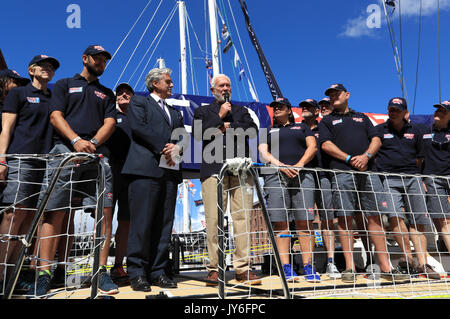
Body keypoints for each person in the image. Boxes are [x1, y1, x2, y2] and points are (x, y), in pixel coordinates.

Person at [30, 45, 118, 297]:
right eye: (97, 58)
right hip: (65, 150)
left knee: (104, 212)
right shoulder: (64, 84)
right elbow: (56, 116)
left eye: (104, 60)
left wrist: (93, 144)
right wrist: (76, 141)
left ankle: (100, 271)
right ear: (85, 58)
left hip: (97, 154)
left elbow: (110, 122)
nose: (101, 62)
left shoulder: (106, 92)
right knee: (54, 211)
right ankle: (44, 273)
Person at [318, 83, 408, 283]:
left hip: (368, 172)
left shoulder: (363, 118)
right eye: (330, 96)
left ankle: (386, 267)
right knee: (344, 219)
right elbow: (326, 145)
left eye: (336, 94)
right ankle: (350, 268)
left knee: (375, 218)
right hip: (341, 173)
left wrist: (366, 156)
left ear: (347, 95)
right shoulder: (326, 120)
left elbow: (376, 139)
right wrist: (350, 158)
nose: (333, 97)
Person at [193, 74, 261, 286]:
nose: (225, 88)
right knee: (214, 221)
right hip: (213, 170)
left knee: (242, 219)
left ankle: (243, 268)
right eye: (221, 85)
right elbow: (198, 134)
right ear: (213, 89)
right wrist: (220, 116)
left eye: (228, 85)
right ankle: (215, 268)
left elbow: (251, 130)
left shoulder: (241, 110)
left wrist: (222, 127)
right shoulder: (202, 111)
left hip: (241, 170)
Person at [122, 68, 186, 292]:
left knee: (164, 224)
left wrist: (176, 147)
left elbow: (183, 137)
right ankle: (137, 272)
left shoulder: (175, 112)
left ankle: (158, 271)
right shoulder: (139, 102)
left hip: (169, 172)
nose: (171, 85)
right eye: (168, 81)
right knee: (142, 223)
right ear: (155, 83)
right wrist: (164, 146)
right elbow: (139, 128)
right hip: (145, 170)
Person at [0, 56, 58, 293]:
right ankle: (0, 273)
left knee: (28, 223)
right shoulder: (19, 94)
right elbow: (6, 128)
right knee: (13, 216)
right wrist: (1, 159)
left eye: (52, 67)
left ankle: (11, 278)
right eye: (43, 66)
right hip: (20, 160)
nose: (48, 69)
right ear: (31, 70)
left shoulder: (54, 99)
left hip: (45, 164)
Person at [376, 97, 440, 280]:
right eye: (390, 109)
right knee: (395, 217)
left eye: (397, 109)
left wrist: (418, 178)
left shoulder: (417, 131)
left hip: (413, 178)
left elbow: (421, 157)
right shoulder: (380, 130)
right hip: (388, 179)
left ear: (405, 112)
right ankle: (408, 260)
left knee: (419, 221)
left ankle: (423, 263)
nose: (393, 112)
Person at [259, 97, 320, 282]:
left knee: (305, 222)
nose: (276, 109)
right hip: (275, 176)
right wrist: (281, 166)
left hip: (303, 176)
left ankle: (309, 266)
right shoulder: (266, 130)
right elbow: (263, 152)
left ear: (289, 110)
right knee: (281, 223)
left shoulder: (302, 127)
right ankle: (286, 267)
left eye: (280, 106)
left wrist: (300, 165)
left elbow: (313, 147)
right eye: (274, 107)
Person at [300, 98, 340, 279]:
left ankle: (331, 262)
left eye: (309, 107)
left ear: (317, 111)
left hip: (323, 176)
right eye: (303, 107)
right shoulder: (296, 128)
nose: (305, 109)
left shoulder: (325, 127)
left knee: (327, 219)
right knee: (304, 220)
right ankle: (308, 264)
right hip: (303, 177)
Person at [107, 83, 134, 286]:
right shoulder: (108, 115)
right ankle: (97, 267)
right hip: (110, 171)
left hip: (131, 173)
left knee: (125, 221)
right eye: (120, 93)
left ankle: (118, 265)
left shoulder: (137, 118)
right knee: (105, 219)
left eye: (128, 92)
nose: (124, 94)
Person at [422, 101, 450, 258]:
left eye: (443, 111)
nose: (438, 112)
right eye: (437, 110)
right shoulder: (423, 131)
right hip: (433, 178)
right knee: (444, 220)